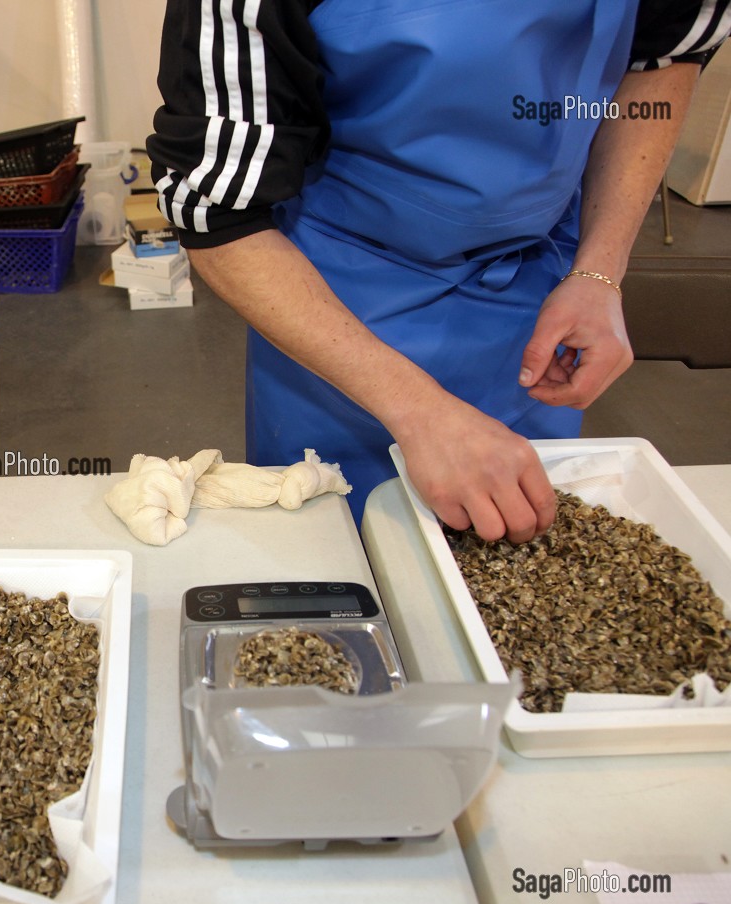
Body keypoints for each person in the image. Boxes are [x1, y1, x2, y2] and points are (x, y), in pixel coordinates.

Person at [148, 1, 728, 542]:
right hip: (340, 303)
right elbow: (218, 215)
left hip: (536, 295)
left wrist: (599, 274)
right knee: (341, 562)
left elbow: (660, 61)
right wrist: (418, 410)